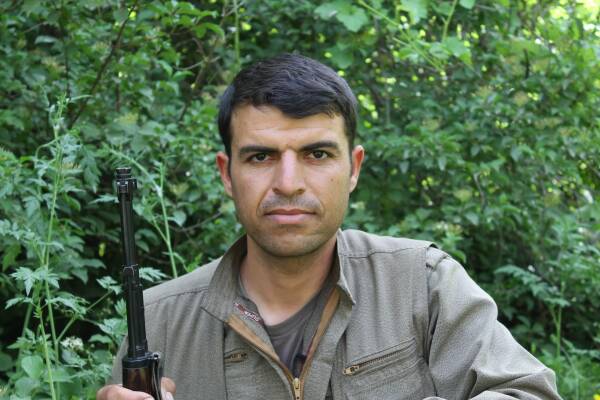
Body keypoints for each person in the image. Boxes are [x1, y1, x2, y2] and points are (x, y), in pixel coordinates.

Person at [97, 54, 561, 400]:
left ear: (353, 168)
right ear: (227, 174)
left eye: (317, 154)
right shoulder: (158, 322)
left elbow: (529, 393)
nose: (288, 183)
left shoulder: (422, 284)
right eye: (261, 157)